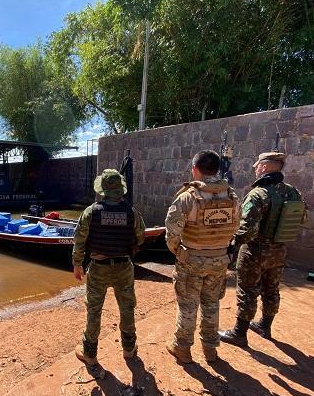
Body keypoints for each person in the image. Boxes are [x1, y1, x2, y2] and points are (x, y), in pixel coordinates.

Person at [219, 152, 306, 347]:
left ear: (265, 167)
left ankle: (239, 333)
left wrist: (233, 244)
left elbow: (247, 228)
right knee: (271, 288)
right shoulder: (292, 192)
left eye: (258, 165)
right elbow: (302, 218)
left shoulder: (258, 193)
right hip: (279, 249)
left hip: (256, 251)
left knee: (247, 290)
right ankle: (265, 326)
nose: (256, 168)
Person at [164, 150, 240, 363]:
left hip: (191, 260)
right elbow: (236, 227)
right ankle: (210, 349)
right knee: (211, 303)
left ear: (195, 169)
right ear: (216, 169)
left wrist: (178, 251)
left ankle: (182, 348)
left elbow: (172, 232)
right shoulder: (232, 196)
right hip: (219, 261)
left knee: (188, 305)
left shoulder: (188, 197)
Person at [73, 169, 146, 368]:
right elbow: (140, 237)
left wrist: (78, 264)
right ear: (120, 190)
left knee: (94, 310)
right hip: (124, 267)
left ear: (103, 189)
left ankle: (90, 354)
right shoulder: (132, 212)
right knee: (127, 308)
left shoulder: (91, 212)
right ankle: (129, 350)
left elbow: (79, 240)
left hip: (98, 268)